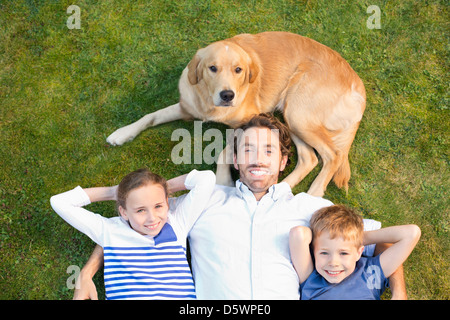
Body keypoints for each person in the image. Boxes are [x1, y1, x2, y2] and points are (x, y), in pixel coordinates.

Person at [73, 113, 408, 299]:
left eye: (267, 150)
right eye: (247, 150)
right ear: (235, 159)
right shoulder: (205, 201)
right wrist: (86, 275)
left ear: (282, 161)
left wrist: (400, 294)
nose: (257, 159)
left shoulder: (310, 207)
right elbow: (133, 225)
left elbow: (379, 240)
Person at [50, 168, 215, 300]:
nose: (152, 218)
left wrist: (159, 188)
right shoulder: (109, 230)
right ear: (124, 212)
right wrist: (112, 192)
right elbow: (59, 202)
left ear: (167, 202)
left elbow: (206, 179)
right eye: (140, 210)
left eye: (158, 206)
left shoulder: (177, 222)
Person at [289, 205, 420, 299]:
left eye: (344, 253)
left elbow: (412, 233)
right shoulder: (311, 280)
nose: (333, 263)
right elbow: (298, 234)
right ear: (314, 252)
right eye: (324, 253)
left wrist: (357, 239)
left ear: (359, 253)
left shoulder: (370, 272)